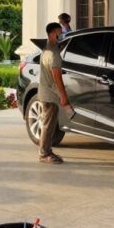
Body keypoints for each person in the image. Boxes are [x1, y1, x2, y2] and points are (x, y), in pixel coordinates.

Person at [37, 22, 70, 164]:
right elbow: (57, 76)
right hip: (50, 95)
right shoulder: (54, 53)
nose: (61, 35)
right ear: (51, 34)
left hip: (45, 92)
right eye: (59, 32)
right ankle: (44, 154)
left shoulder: (46, 49)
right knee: (48, 125)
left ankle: (45, 151)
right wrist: (63, 96)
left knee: (48, 123)